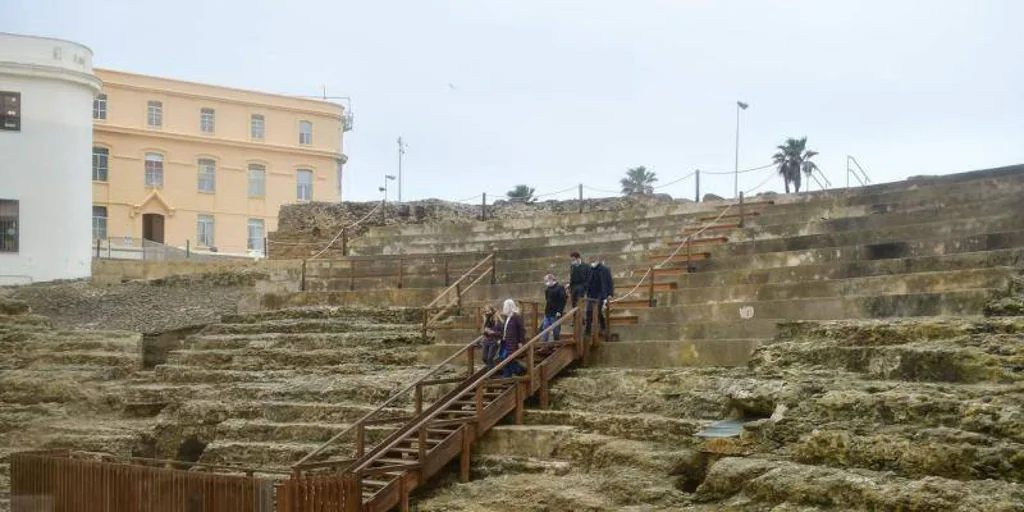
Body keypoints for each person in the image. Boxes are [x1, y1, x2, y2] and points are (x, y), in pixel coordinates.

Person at [585, 255, 615, 336]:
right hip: (591, 293)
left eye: (594, 261)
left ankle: (602, 325)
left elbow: (610, 282)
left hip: (601, 293)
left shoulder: (605, 269)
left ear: (598, 260)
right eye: (591, 262)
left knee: (598, 309)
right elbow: (587, 281)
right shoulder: (589, 269)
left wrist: (610, 294)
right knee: (588, 312)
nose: (592, 263)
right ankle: (587, 331)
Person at [498, 298, 527, 378]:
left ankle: (514, 372)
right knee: (502, 358)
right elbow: (505, 328)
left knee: (506, 358)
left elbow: (522, 330)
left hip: (512, 342)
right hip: (504, 341)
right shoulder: (507, 317)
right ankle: (513, 372)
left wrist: (520, 341)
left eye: (505, 306)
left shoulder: (516, 316)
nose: (504, 308)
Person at [541, 274, 567, 342]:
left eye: (547, 281)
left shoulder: (560, 288)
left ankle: (556, 342)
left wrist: (559, 311)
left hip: (555, 312)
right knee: (545, 327)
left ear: (551, 280)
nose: (546, 283)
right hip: (548, 312)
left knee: (556, 329)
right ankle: (544, 343)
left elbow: (563, 300)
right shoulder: (547, 289)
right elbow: (547, 300)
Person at [479, 304, 502, 369]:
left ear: (492, 311)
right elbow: (484, 332)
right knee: (484, 358)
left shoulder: (498, 320)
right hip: (487, 341)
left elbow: (501, 333)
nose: (487, 313)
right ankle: (493, 369)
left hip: (494, 341)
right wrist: (485, 331)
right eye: (486, 311)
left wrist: (493, 332)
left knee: (489, 358)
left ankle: (491, 373)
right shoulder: (487, 320)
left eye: (488, 311)